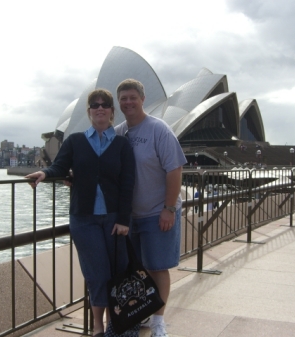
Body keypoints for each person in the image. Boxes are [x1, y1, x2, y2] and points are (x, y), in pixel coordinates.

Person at [25, 89, 136, 337]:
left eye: (105, 105)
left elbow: (128, 183)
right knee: (97, 273)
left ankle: (115, 324)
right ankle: (98, 326)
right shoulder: (75, 141)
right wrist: (44, 174)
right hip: (84, 220)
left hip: (113, 218)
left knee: (117, 272)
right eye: (95, 105)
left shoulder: (121, 144)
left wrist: (123, 220)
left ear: (111, 111)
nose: (100, 108)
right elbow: (59, 167)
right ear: (88, 111)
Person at [115, 79, 187, 337]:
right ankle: (144, 311)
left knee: (157, 267)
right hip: (130, 217)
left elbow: (175, 169)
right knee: (138, 268)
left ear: (143, 99)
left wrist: (168, 208)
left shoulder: (159, 129)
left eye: (132, 97)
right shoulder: (119, 132)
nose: (128, 102)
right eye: (123, 98)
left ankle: (158, 320)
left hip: (158, 212)